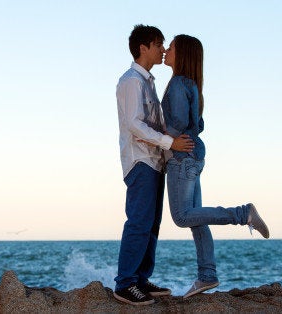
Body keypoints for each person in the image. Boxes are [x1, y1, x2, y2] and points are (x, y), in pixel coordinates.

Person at [160, 34, 270, 299]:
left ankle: (242, 214)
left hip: (181, 157)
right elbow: (198, 125)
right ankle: (207, 276)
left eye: (171, 47)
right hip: (193, 156)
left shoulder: (177, 84)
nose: (166, 50)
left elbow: (178, 125)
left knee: (182, 217)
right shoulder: (192, 84)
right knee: (197, 218)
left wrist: (161, 135)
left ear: (182, 54)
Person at [114, 25, 194, 306]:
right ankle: (125, 283)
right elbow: (135, 124)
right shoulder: (131, 81)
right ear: (143, 48)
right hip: (140, 160)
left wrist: (171, 144)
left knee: (152, 223)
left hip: (155, 160)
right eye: (159, 44)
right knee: (139, 221)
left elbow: (156, 123)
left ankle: (140, 278)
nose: (162, 50)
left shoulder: (148, 82)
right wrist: (169, 142)